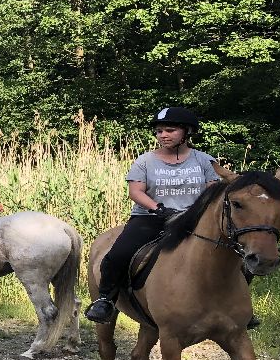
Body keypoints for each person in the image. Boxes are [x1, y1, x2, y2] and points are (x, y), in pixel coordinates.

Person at [84, 106, 220, 323]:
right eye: (159, 131)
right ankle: (105, 300)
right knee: (119, 253)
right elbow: (135, 191)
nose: (163, 135)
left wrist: (197, 211)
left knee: (233, 251)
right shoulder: (145, 161)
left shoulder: (204, 160)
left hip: (194, 220)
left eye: (170, 130)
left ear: (187, 132)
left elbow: (214, 189)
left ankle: (234, 306)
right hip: (151, 218)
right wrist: (159, 209)